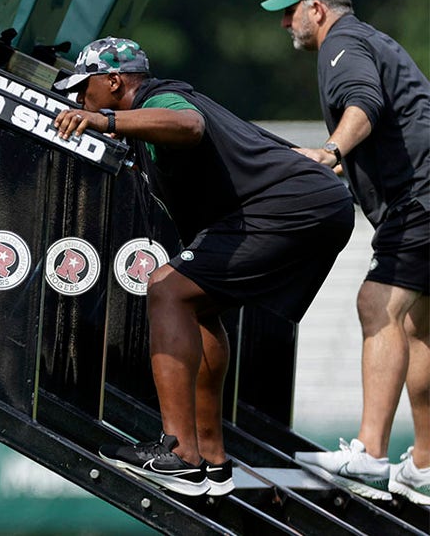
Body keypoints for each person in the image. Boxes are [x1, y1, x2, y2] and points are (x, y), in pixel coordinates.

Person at [51, 37, 355, 496]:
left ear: (113, 82)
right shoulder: (145, 125)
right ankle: (211, 458)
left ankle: (179, 454)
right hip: (314, 205)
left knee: (166, 289)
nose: (78, 101)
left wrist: (106, 119)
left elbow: (188, 125)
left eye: (82, 90)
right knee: (198, 305)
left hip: (294, 207)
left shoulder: (162, 98)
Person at [261, 0, 430, 505]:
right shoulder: (365, 40)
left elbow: (365, 103)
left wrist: (332, 150)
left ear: (317, 9)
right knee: (420, 329)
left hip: (420, 199)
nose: (284, 23)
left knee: (375, 305)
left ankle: (371, 457)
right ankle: (424, 466)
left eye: (289, 12)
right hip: (423, 197)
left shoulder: (343, 48)